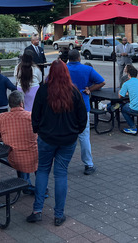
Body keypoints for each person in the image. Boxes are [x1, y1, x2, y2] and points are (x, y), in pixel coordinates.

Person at [27, 60, 86, 227]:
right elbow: (82, 117)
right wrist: (76, 131)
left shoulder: (44, 90)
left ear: (50, 73)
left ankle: (37, 210)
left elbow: (35, 114)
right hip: (68, 139)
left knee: (43, 170)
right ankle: (59, 215)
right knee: (61, 174)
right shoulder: (74, 92)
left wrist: (38, 129)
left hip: (46, 138)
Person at [0, 91, 38, 192]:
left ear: (9, 104)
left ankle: (24, 184)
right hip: (34, 156)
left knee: (18, 153)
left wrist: (4, 137)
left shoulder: (1, 117)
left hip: (13, 158)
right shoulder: (32, 116)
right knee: (31, 151)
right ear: (21, 103)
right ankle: (39, 186)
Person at [66, 49, 105, 175]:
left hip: (66, 106)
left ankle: (63, 162)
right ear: (79, 58)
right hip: (83, 105)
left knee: (66, 135)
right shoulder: (87, 69)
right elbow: (102, 82)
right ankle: (88, 164)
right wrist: (90, 89)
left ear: (69, 58)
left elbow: (47, 81)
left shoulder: (63, 69)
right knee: (84, 136)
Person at [116, 65, 138, 135]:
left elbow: (120, 96)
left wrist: (120, 91)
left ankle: (132, 127)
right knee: (130, 105)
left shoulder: (126, 83)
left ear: (128, 74)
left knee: (123, 108)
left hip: (136, 108)